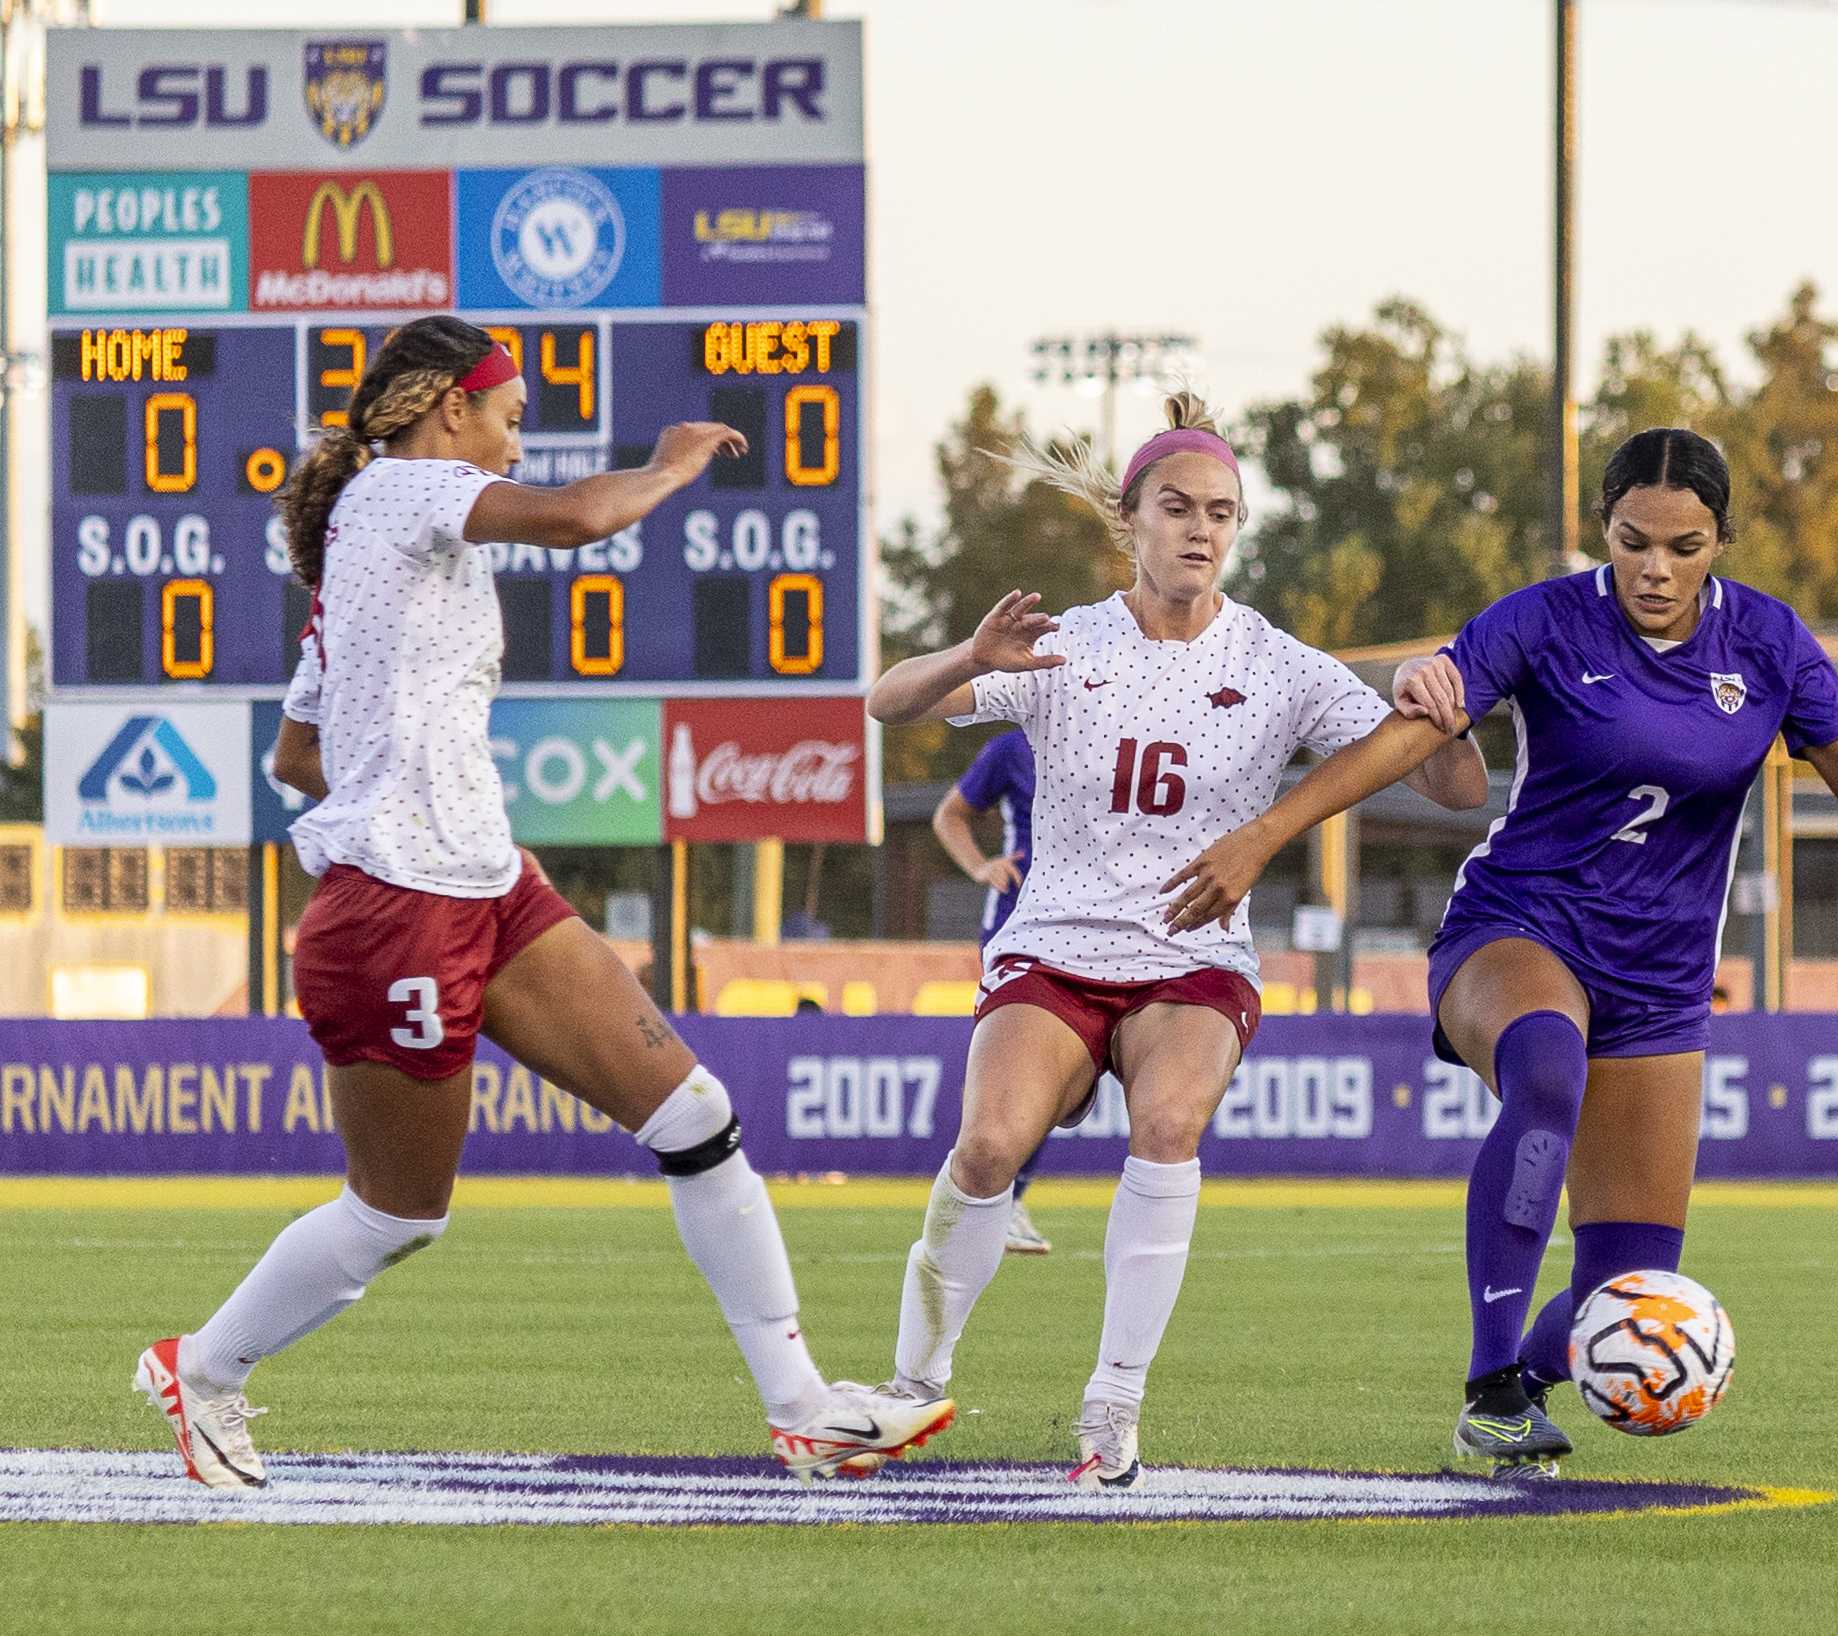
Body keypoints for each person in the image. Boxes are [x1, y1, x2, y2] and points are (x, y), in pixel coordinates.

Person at [132, 315, 951, 1492]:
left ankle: (805, 1409)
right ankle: (202, 1369)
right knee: (399, 1215)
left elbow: (298, 751)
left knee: (696, 1116)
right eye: (509, 421)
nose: (514, 450)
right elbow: (578, 520)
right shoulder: (397, 492)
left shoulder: (383, 545)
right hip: (394, 909)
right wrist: (672, 461)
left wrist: (398, 768)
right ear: (444, 408)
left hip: (487, 882)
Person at [1162, 428, 1838, 1473]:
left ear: (1721, 541)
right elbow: (1413, 733)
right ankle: (1490, 1393)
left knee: (1632, 1286)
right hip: (1520, 926)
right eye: (1632, 540)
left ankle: (1527, 1367)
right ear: (1603, 531)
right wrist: (1262, 837)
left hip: (1659, 980)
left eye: (1684, 545)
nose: (1655, 567)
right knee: (1548, 1071)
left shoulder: (1772, 644)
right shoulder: (1547, 619)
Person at [865, 393, 1490, 1488]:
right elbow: (888, 703)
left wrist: (1441, 706)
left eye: (1222, 512)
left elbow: (1456, 786)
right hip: (1054, 945)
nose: (1201, 529)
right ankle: (911, 1386)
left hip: (1194, 957)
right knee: (989, 1147)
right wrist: (968, 654)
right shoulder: (1062, 643)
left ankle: (1114, 1402)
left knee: (1165, 1121)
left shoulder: (1282, 662)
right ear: (1131, 520)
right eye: (1178, 507)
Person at [933, 730, 1055, 1254]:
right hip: (1020, 923)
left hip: (1100, 922)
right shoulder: (1014, 747)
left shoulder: (1118, 721)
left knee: (1067, 1075)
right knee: (1020, 1066)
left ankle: (1006, 1195)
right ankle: (990, 1197)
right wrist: (980, 866)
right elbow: (950, 814)